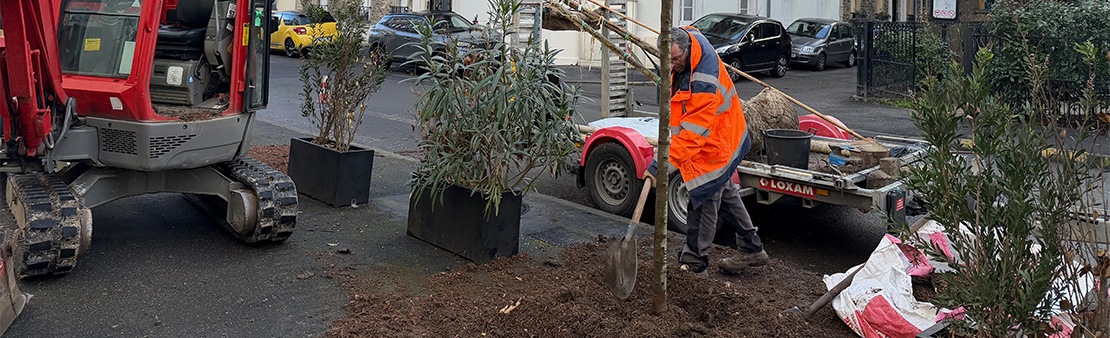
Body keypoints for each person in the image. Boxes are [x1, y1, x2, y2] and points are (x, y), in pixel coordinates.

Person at [663, 26, 767, 276]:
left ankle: (695, 261)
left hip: (717, 142)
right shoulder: (689, 38)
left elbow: (694, 132)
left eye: (676, 59)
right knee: (726, 192)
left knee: (704, 194)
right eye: (668, 59)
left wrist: (663, 161)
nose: (673, 64)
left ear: (687, 49)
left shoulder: (703, 80)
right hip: (725, 131)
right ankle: (752, 248)